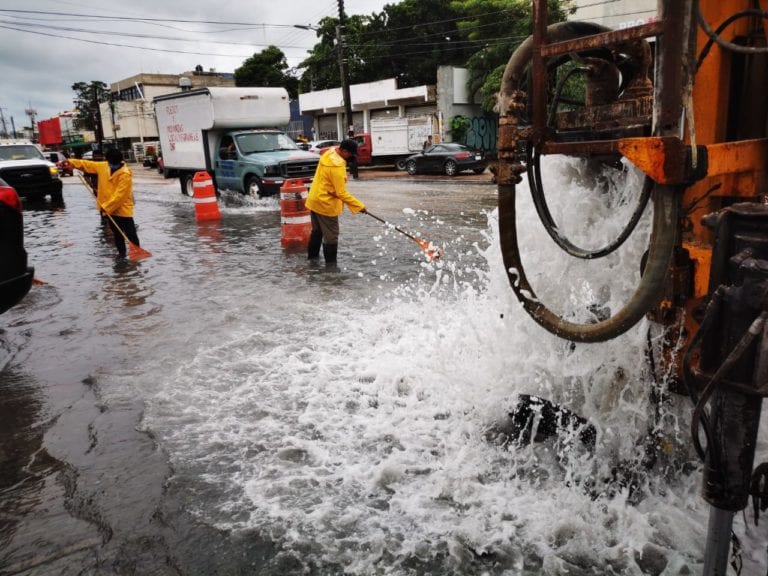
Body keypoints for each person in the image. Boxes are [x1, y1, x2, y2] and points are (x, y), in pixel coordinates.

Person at [69, 148, 141, 259]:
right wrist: (71, 162)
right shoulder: (104, 166)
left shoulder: (125, 174)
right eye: (109, 163)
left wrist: (106, 208)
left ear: (118, 161)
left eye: (112, 163)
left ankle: (137, 253)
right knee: (117, 234)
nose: (110, 165)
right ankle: (121, 255)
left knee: (131, 234)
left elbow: (120, 196)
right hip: (109, 209)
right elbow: (88, 164)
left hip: (123, 209)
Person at [305, 139, 366, 265]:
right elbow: (341, 193)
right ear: (343, 151)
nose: (352, 157)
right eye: (351, 154)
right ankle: (331, 270)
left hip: (315, 198)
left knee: (317, 232)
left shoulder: (328, 153)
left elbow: (326, 180)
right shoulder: (337, 167)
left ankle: (312, 261)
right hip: (326, 204)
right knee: (331, 237)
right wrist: (359, 206)